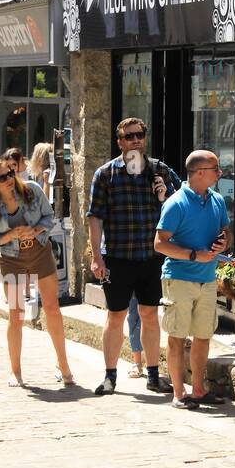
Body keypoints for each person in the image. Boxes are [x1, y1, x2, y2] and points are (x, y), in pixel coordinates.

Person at [88, 117, 181, 396]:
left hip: (151, 257)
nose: (136, 140)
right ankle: (109, 377)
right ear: (120, 142)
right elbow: (95, 217)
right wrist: (96, 257)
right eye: (129, 136)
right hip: (117, 256)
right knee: (115, 316)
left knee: (150, 315)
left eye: (140, 134)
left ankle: (153, 375)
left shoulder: (159, 170)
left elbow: (181, 204)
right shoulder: (105, 174)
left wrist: (165, 196)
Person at [0, 157, 75, 387]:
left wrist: (35, 230)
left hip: (40, 252)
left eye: (10, 173)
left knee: (52, 308)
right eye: (2, 177)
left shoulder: (31, 190)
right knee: (16, 313)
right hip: (12, 260)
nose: (10, 179)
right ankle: (16, 371)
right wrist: (10, 235)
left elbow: (49, 216)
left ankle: (63, 366)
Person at [154, 150, 231, 409]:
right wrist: (192, 255)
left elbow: (225, 233)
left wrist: (222, 244)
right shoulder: (175, 203)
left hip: (207, 279)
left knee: (203, 335)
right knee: (177, 336)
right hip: (179, 278)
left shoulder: (217, 200)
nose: (220, 173)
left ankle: (198, 389)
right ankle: (179, 393)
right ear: (200, 173)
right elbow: (159, 244)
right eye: (215, 169)